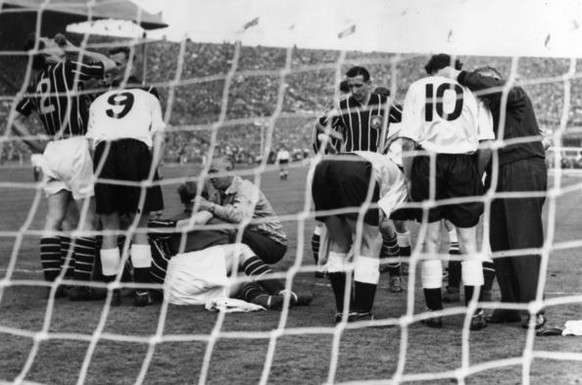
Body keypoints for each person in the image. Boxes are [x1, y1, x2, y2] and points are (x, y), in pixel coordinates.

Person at [441, 64, 549, 330]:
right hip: (500, 172)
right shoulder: (490, 107)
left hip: (522, 168)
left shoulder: (514, 92)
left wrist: (462, 76)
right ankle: (511, 305)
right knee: (499, 241)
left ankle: (534, 309)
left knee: (523, 240)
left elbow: (491, 87)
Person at [10, 33, 116, 300]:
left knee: (54, 219)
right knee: (87, 219)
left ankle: (54, 283)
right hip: (76, 145)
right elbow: (109, 64)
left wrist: (39, 148)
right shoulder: (68, 67)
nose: (55, 41)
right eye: (49, 40)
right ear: (46, 53)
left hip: (53, 151)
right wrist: (74, 48)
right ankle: (81, 285)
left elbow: (15, 122)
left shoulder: (36, 82)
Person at [400, 54, 495, 330]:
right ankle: (474, 313)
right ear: (459, 69)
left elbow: (407, 140)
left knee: (430, 240)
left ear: (431, 71)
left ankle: (433, 311)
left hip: (428, 164)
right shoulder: (473, 89)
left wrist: (408, 178)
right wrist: (473, 175)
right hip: (464, 164)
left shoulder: (419, 87)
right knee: (468, 242)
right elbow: (486, 144)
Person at [147, 181, 311, 309]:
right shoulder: (215, 224)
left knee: (243, 279)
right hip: (185, 274)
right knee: (242, 253)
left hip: (176, 294)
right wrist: (211, 209)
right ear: (204, 197)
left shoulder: (171, 223)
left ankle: (267, 301)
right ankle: (284, 292)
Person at [314, 67, 406, 291]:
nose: (354, 90)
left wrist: (394, 140)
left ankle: (395, 271)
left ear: (370, 83)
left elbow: (409, 122)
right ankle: (352, 272)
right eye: (351, 85)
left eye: (358, 85)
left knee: (382, 224)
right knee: (348, 225)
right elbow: (321, 124)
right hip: (351, 171)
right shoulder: (343, 106)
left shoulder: (384, 103)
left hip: (376, 170)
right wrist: (338, 140)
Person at [86, 85, 165, 306]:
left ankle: (113, 293)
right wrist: (152, 172)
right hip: (136, 152)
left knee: (109, 227)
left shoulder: (98, 99)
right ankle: (141, 292)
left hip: (103, 155)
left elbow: (90, 146)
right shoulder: (149, 97)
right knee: (139, 227)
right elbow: (160, 138)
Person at [312, 151, 407, 323]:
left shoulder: (386, 164)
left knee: (340, 242)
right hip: (355, 170)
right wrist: (359, 242)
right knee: (371, 242)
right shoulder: (403, 187)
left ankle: (343, 311)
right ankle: (363, 313)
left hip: (323, 168)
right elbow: (377, 221)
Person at [194, 155, 288, 265]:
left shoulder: (246, 188)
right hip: (252, 237)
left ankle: (256, 275)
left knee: (228, 229)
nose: (211, 177)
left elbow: (240, 217)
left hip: (273, 243)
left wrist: (210, 206)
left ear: (229, 171)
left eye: (214, 172)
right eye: (209, 173)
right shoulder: (217, 190)